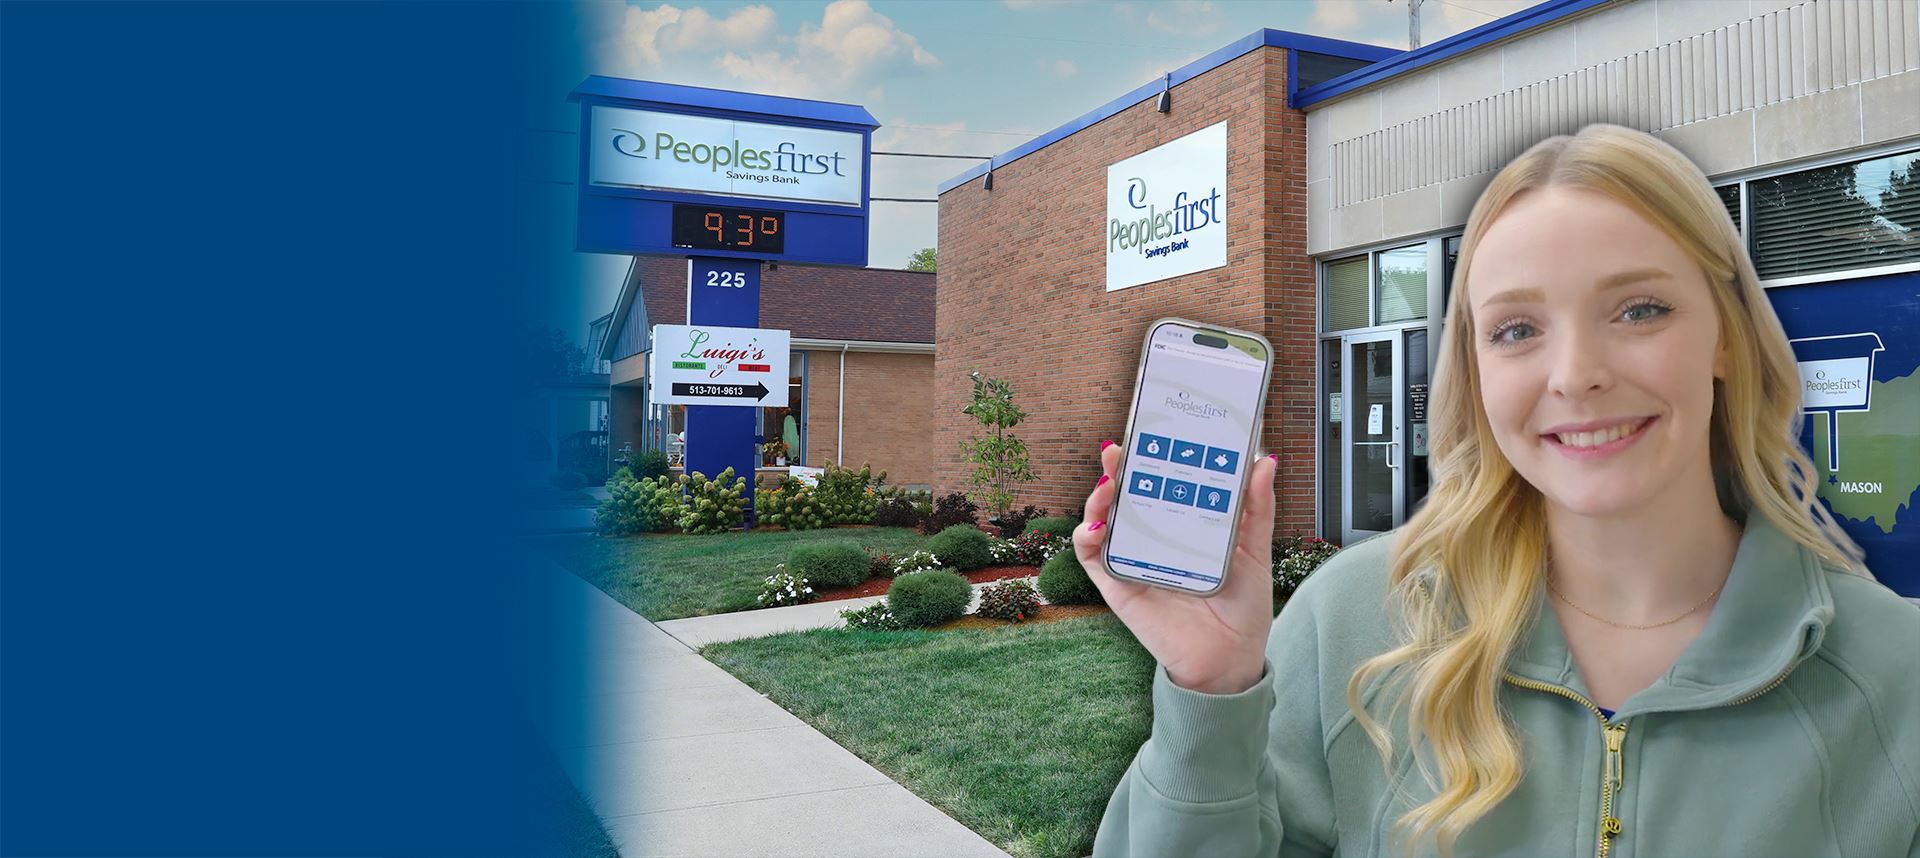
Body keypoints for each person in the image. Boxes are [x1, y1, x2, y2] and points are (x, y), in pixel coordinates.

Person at [1077, 124, 1920, 858]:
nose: (1576, 375)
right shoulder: (1354, 625)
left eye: (1639, 310)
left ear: (1726, 336)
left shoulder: (1898, 675)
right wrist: (1211, 697)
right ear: (1475, 370)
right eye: (1517, 329)